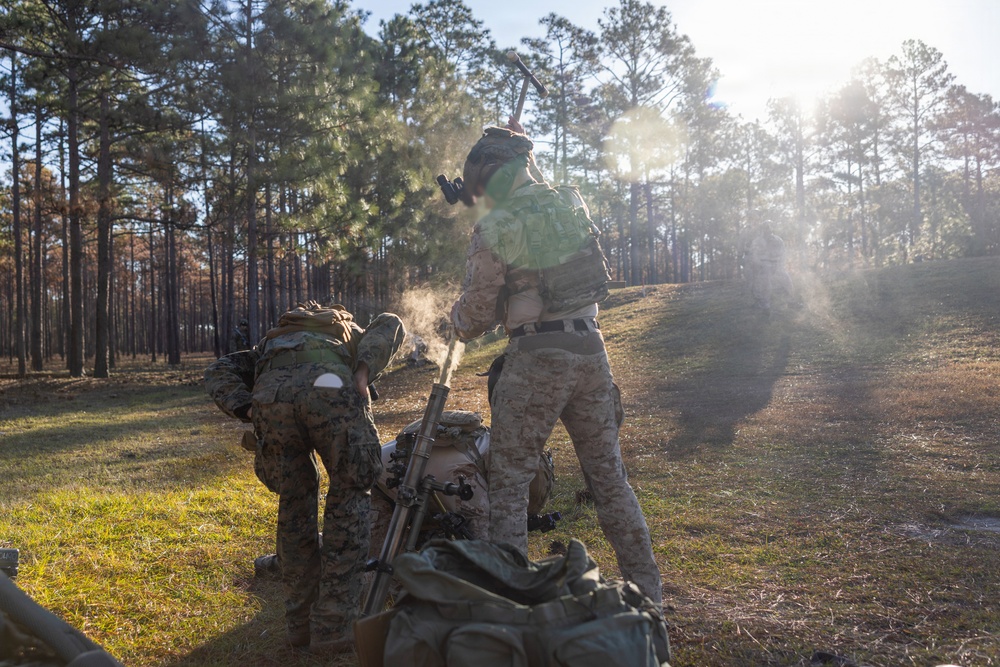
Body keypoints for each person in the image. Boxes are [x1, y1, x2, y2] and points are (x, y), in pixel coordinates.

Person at [449, 124, 663, 608]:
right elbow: (536, 188)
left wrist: (456, 318)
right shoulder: (570, 201)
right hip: (592, 351)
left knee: (508, 484)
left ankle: (511, 609)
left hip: (537, 358)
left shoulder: (495, 224)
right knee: (610, 481)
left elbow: (476, 316)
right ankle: (649, 598)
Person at [204, 301, 404, 654]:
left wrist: (248, 407)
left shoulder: (271, 342)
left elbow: (220, 370)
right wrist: (363, 371)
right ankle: (333, 626)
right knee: (350, 496)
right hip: (334, 391)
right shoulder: (346, 330)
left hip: (273, 400)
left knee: (294, 507)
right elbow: (390, 323)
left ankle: (299, 625)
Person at [748, 221, 795, 314]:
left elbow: (783, 253)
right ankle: (765, 305)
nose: (767, 230)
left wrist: (780, 265)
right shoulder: (757, 241)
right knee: (765, 283)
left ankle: (791, 301)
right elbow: (754, 255)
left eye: (769, 227)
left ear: (771, 229)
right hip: (764, 265)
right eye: (765, 228)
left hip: (777, 264)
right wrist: (760, 265)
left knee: (787, 280)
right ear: (762, 229)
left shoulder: (778, 240)